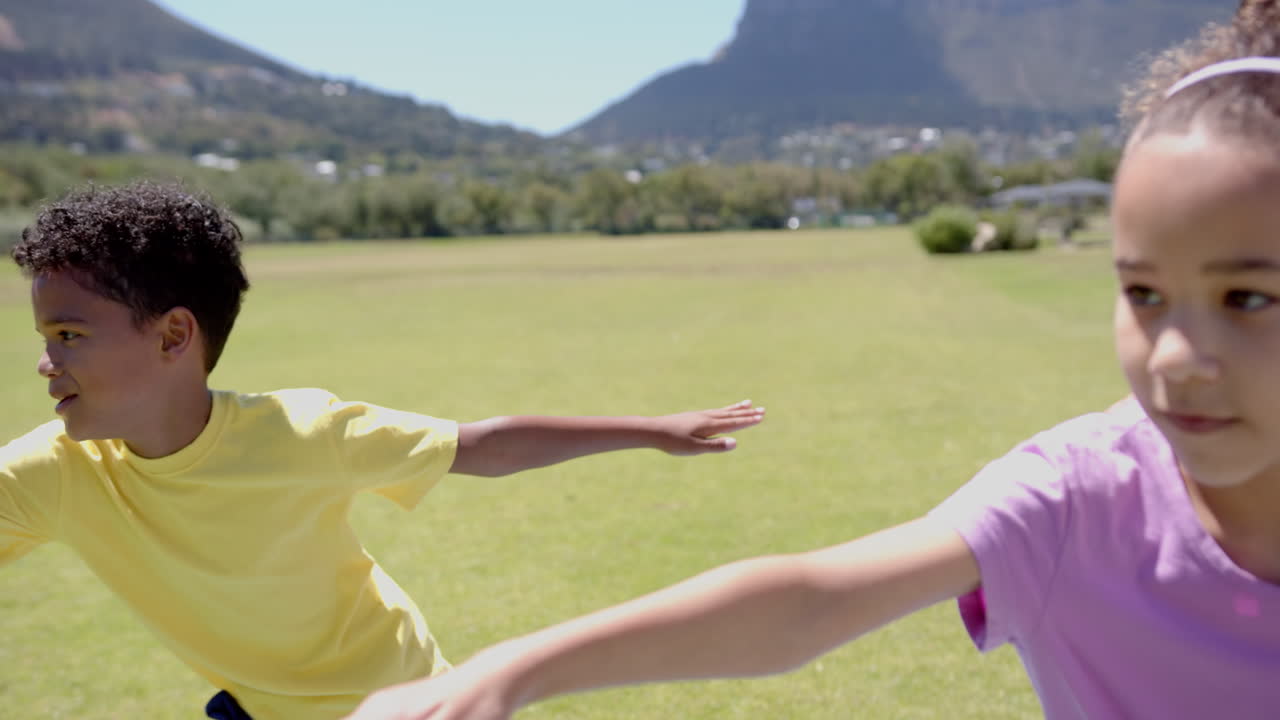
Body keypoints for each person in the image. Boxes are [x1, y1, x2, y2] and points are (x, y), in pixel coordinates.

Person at [342, 3, 1280, 718]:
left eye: (1248, 298)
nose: (1179, 358)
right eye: (1143, 293)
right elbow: (807, 601)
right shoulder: (1077, 498)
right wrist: (516, 667)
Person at [0, 180, 766, 720]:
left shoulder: (303, 434)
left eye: (68, 336)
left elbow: (486, 445)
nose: (47, 363)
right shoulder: (52, 475)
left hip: (409, 704)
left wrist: (651, 429)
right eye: (44, 339)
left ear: (174, 336)